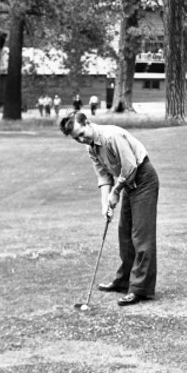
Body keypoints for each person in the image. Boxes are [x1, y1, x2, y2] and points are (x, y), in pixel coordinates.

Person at [60, 111, 159, 306]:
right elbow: (104, 177)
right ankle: (123, 281)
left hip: (143, 179)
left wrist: (116, 192)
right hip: (129, 184)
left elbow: (130, 167)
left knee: (141, 235)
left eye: (82, 134)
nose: (81, 139)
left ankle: (140, 288)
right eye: (76, 139)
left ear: (87, 123)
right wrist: (105, 204)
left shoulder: (110, 136)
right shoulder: (92, 148)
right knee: (125, 234)